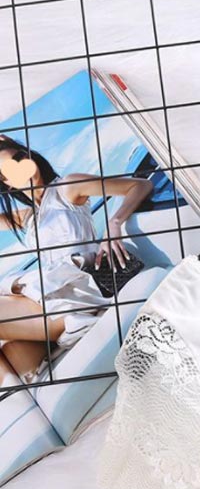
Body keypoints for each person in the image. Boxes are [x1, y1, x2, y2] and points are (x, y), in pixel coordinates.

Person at [0, 135, 153, 384]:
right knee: (10, 355)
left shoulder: (67, 187)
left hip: (82, 292)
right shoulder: (28, 217)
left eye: (18, 157)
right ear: (6, 184)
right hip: (54, 300)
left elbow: (140, 186)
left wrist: (114, 223)